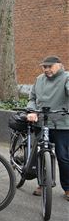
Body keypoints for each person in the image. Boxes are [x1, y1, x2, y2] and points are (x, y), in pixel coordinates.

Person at [26, 56, 69, 200]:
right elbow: (32, 99)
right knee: (41, 156)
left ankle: (67, 188)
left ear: (59, 65)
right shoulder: (39, 79)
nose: (47, 69)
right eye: (44, 67)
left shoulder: (66, 78)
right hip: (42, 122)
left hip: (62, 124)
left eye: (50, 66)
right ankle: (42, 183)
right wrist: (32, 111)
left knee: (63, 157)